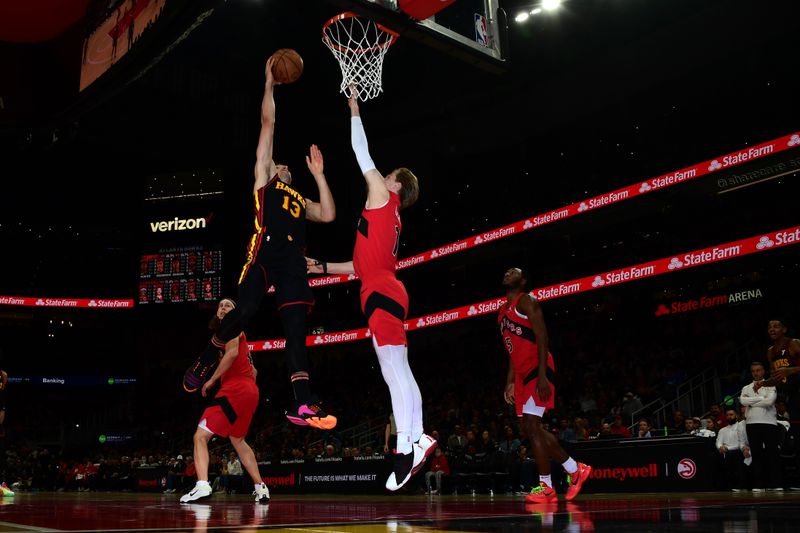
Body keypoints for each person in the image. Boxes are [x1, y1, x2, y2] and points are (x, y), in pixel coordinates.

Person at [183, 56, 337, 431]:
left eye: (286, 167)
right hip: (264, 249)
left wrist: (318, 176)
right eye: (280, 164)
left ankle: (303, 403)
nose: (284, 166)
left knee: (296, 327)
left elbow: (330, 214)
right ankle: (209, 353)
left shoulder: (300, 201)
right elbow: (268, 123)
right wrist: (268, 84)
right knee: (247, 307)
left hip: (292, 262)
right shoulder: (264, 182)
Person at [305, 93, 434, 491]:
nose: (380, 174)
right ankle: (417, 438)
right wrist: (324, 267)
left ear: (395, 182)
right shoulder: (388, 216)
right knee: (398, 368)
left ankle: (407, 445)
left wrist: (355, 111)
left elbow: (360, 151)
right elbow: (360, 265)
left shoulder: (384, 194)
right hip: (383, 285)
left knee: (393, 370)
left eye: (387, 173)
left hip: (380, 289)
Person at [498, 267, 591, 503]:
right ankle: (574, 469)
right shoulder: (502, 313)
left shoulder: (527, 301)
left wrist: (542, 375)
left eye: (515, 271)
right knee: (530, 429)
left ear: (523, 280)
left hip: (537, 367)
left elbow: (543, 337)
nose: (509, 272)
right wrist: (510, 381)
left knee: (532, 424)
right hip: (520, 373)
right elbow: (511, 349)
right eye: (507, 271)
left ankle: (547, 487)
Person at [180, 298, 270, 504]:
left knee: (200, 436)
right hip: (250, 391)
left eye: (228, 305)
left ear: (235, 312)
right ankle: (261, 487)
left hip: (235, 389)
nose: (223, 307)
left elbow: (231, 355)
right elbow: (254, 371)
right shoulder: (229, 335)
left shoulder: (233, 326)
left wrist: (212, 379)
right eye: (221, 305)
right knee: (238, 440)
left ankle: (202, 485)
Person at [740, 361, 781, 492]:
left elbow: (770, 401)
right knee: (756, 454)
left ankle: (776, 484)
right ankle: (759, 484)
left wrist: (751, 401)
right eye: (753, 371)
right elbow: (742, 401)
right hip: (752, 423)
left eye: (758, 370)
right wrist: (761, 398)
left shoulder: (770, 385)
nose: (756, 373)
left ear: (763, 371)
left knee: (772, 454)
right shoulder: (746, 387)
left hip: (769, 423)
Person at [755, 319, 800, 422]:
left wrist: (791, 370)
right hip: (791, 396)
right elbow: (775, 378)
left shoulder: (793, 343)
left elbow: (787, 371)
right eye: (769, 327)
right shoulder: (770, 352)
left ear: (784, 329)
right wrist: (763, 383)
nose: (772, 329)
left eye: (775, 327)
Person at [715, 408, 749, 491]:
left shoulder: (741, 427)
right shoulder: (722, 430)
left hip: (739, 451)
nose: (729, 417)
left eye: (731, 415)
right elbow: (718, 442)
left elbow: (741, 443)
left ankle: (741, 485)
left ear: (736, 416)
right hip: (725, 452)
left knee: (735, 454)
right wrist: (721, 447)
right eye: (727, 415)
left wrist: (727, 448)